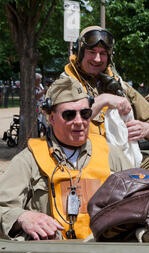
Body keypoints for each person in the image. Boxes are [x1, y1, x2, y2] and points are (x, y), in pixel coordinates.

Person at [0, 77, 133, 241]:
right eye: (69, 115)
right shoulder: (28, 160)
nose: (79, 122)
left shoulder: (111, 154)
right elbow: (3, 206)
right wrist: (23, 217)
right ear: (51, 118)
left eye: (85, 113)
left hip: (106, 252)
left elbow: (138, 197)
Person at [61, 26, 149, 142]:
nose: (97, 59)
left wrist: (147, 128)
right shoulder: (63, 86)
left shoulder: (120, 86)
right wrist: (104, 100)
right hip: (81, 156)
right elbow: (66, 125)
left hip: (121, 156)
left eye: (103, 53)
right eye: (92, 52)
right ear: (79, 53)